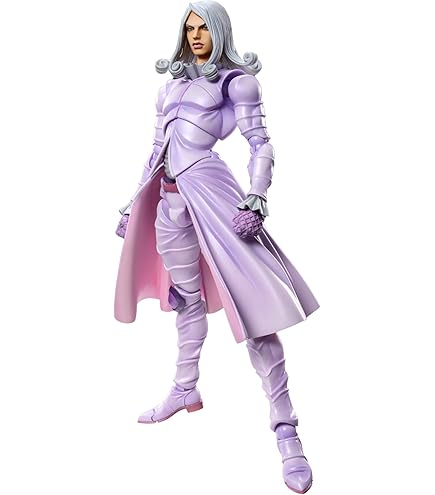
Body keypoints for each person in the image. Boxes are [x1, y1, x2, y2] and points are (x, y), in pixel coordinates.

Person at [114, 1, 319, 492]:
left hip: (213, 193)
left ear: (219, 30)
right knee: (185, 299)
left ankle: (286, 432)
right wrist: (132, 202)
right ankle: (185, 388)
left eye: (204, 26)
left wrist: (257, 198)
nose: (195, 34)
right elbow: (156, 149)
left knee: (255, 312)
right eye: (189, 27)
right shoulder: (170, 87)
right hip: (168, 203)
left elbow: (260, 143)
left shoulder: (236, 82)